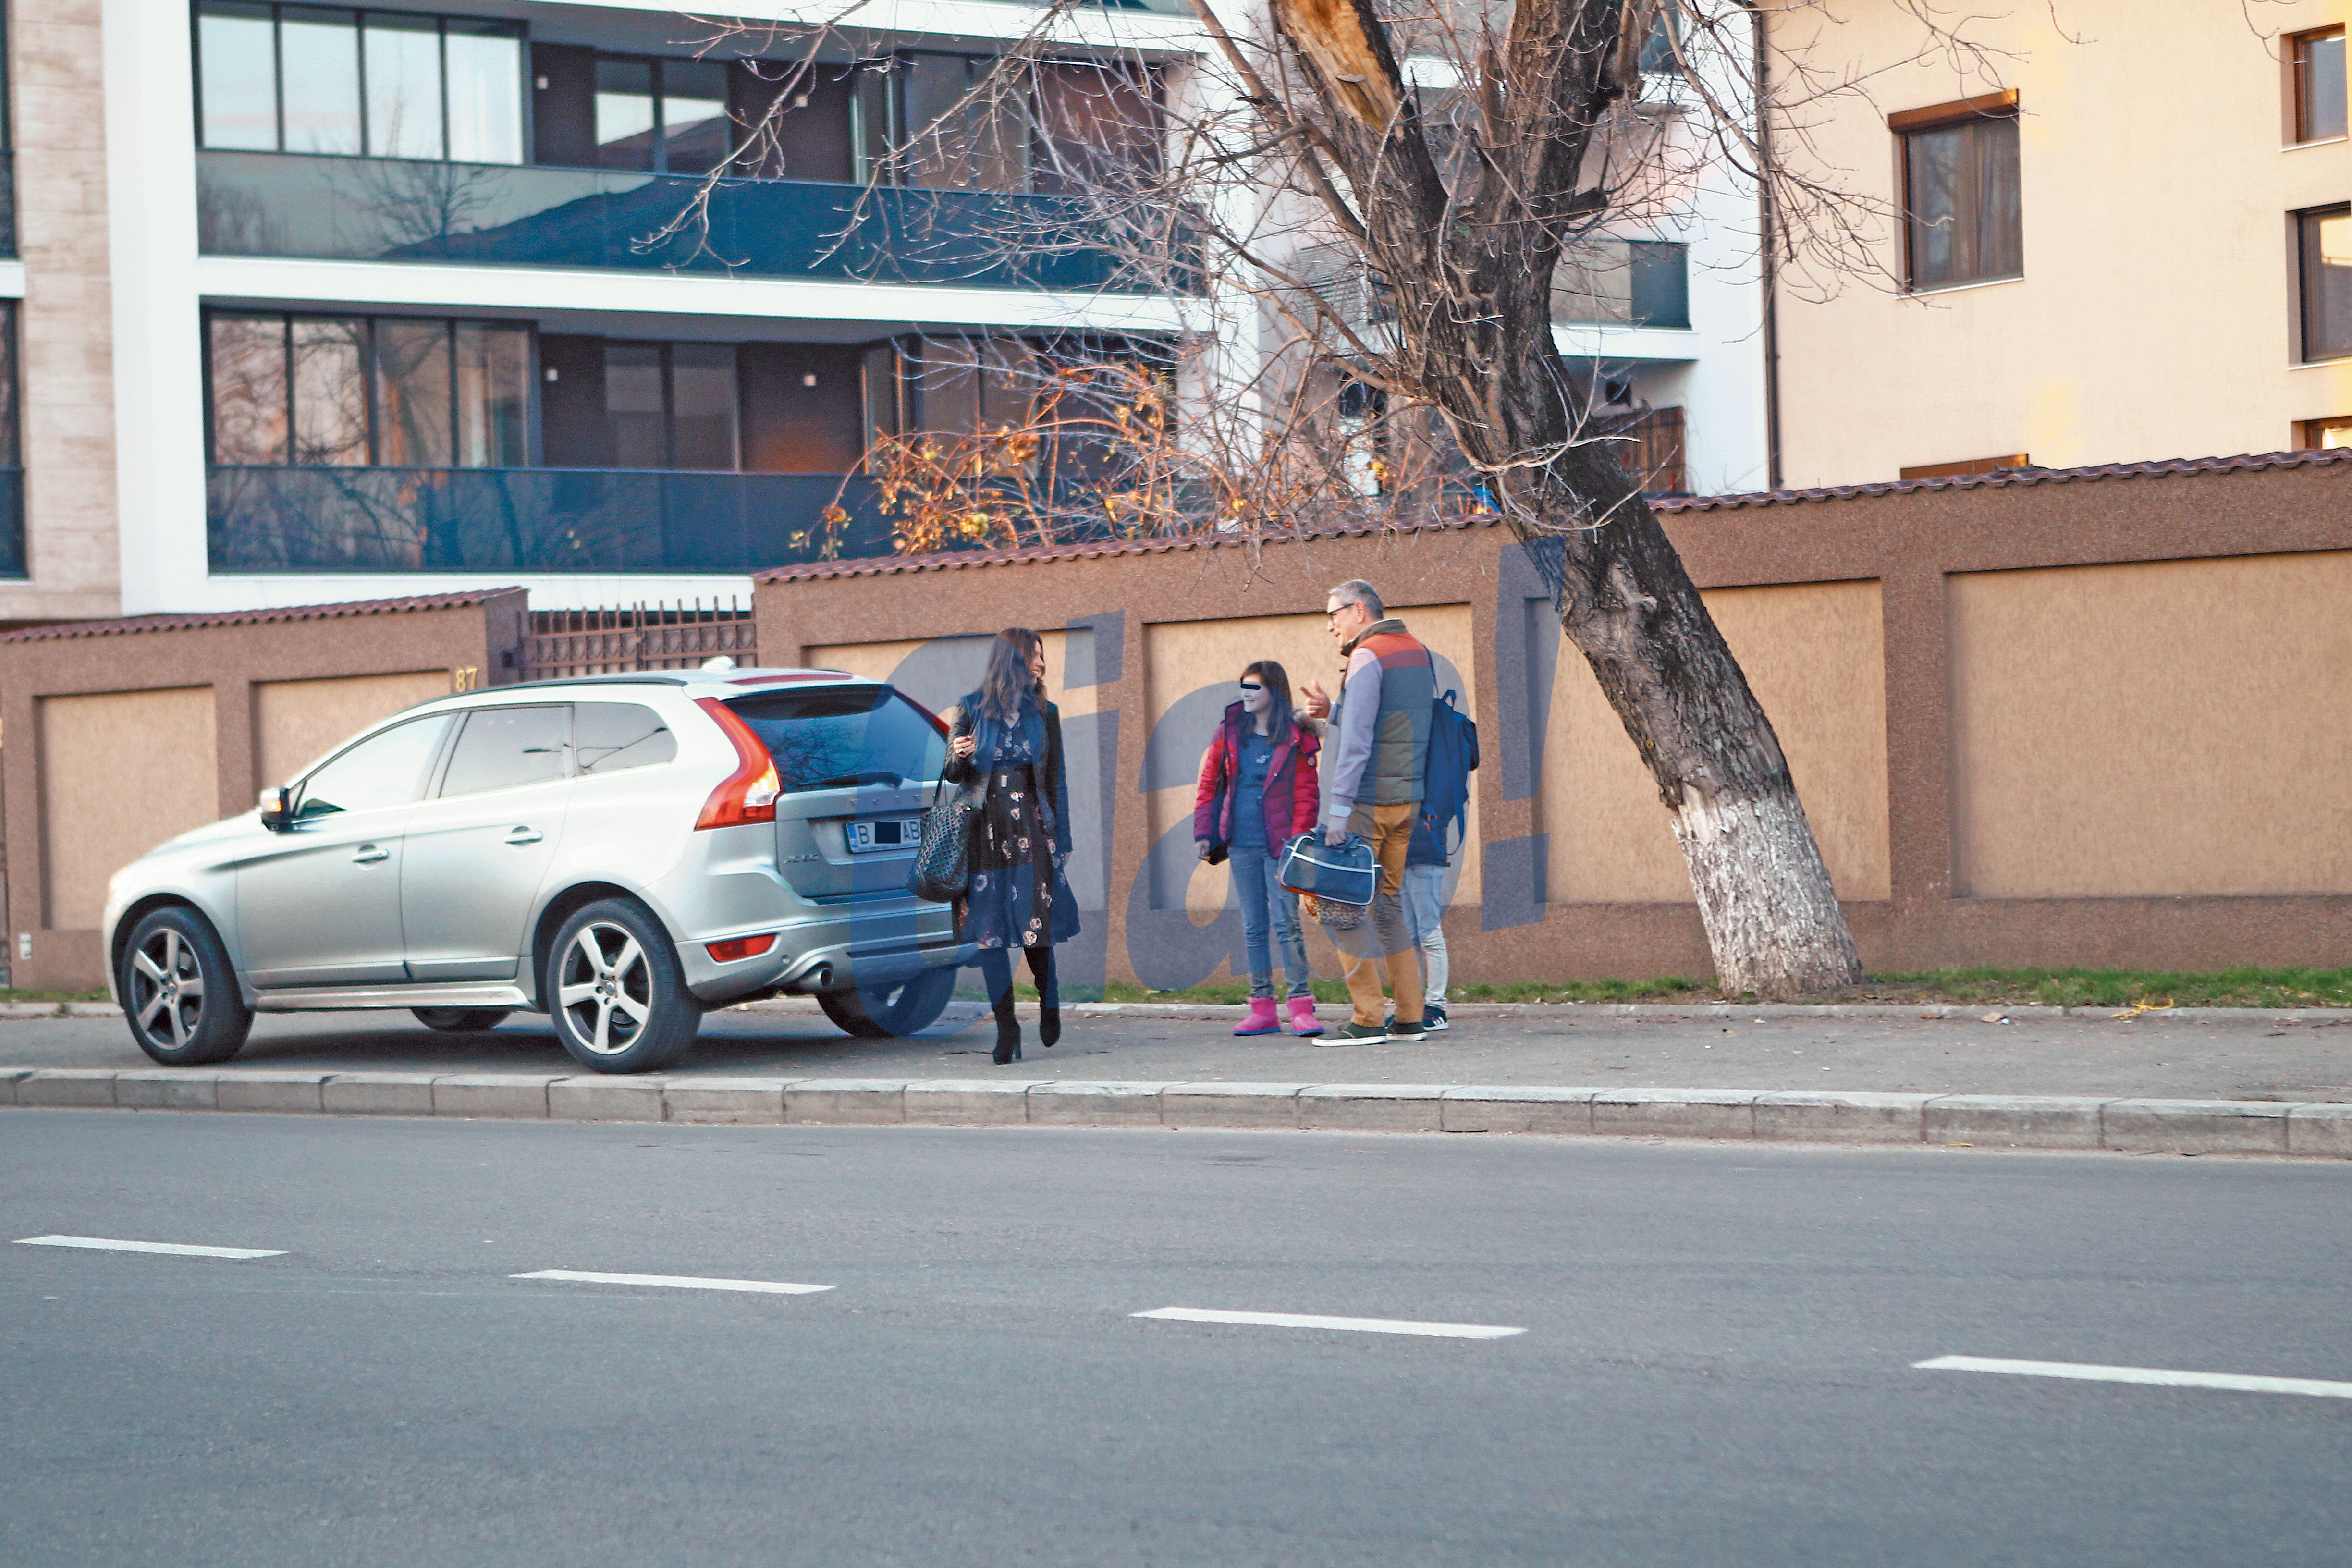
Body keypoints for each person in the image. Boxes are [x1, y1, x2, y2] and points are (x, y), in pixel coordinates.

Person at [1299, 578, 1434, 1043]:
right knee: (1390, 907)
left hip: (1365, 804)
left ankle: (1368, 1018)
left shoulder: (1366, 655)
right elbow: (1393, 720)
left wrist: (1337, 814)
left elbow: (1358, 742)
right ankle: (1411, 1015)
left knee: (1343, 908)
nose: (1330, 626)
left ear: (1359, 610)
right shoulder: (1416, 651)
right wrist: (1333, 709)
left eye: (1333, 615)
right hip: (1407, 800)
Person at [943, 628, 1078, 1065]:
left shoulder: (1046, 713)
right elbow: (952, 774)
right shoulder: (970, 707)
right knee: (989, 933)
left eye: (1042, 656)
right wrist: (960, 755)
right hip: (983, 832)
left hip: (1032, 829)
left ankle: (1049, 1001)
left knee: (1035, 923)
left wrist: (1063, 838)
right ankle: (1007, 1028)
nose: (1041, 663)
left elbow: (1056, 779)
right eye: (1033, 656)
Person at [1192, 660, 1325, 1038]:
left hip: (1281, 847)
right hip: (1242, 844)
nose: (1247, 694)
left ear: (1274, 692)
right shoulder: (1230, 731)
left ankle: (1301, 1006)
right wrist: (1204, 831)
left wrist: (1297, 843)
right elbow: (1209, 783)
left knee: (1288, 925)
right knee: (1253, 926)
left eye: (1256, 687)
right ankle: (1262, 1008)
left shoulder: (1297, 737)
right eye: (1244, 686)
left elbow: (1307, 795)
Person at [1400, 814, 1451, 1033]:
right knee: (1409, 939)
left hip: (1425, 855)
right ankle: (1414, 1004)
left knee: (1430, 936)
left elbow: (1447, 805)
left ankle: (1436, 1007)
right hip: (1399, 857)